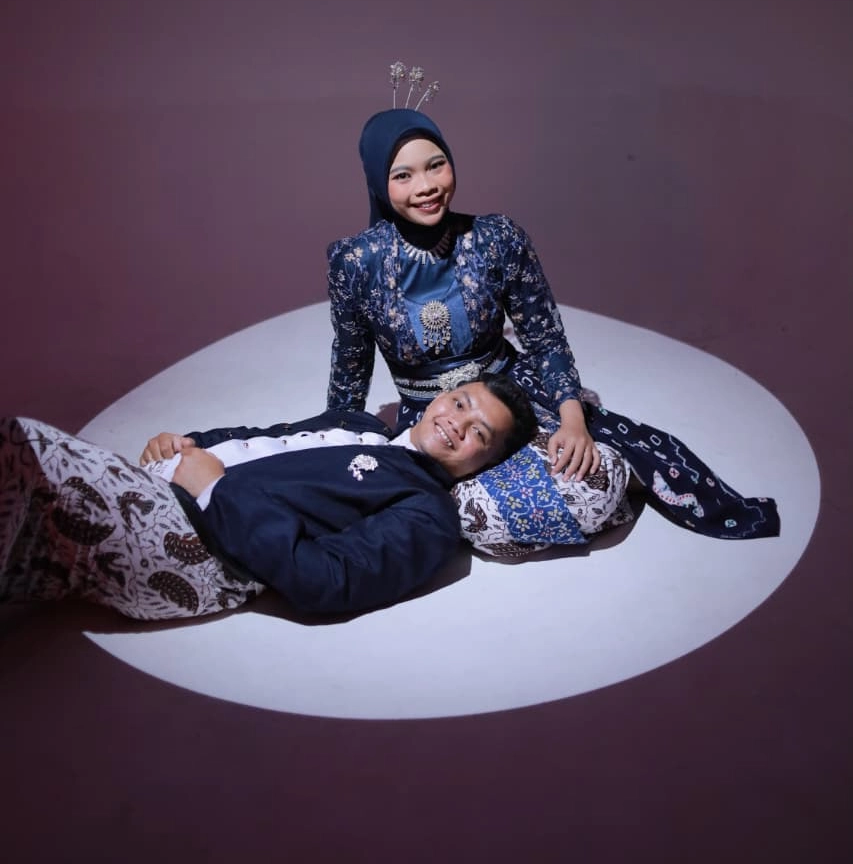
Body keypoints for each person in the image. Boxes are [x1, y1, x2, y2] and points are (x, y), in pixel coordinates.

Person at [326, 78, 780, 541]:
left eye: (436, 166)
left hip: (512, 389)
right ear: (377, 182)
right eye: (403, 176)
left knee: (640, 451)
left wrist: (573, 419)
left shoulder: (497, 238)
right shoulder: (356, 261)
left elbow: (544, 339)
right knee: (405, 505)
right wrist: (334, 441)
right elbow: (351, 367)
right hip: (434, 416)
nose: (426, 187)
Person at [0, 374, 536, 621]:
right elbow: (264, 438)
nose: (457, 423)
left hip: (198, 548)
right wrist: (185, 444)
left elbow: (327, 580)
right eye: (460, 403)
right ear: (442, 396)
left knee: (22, 446)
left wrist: (214, 487)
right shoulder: (357, 423)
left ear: (485, 462)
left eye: (479, 433)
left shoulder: (428, 513)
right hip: (161, 489)